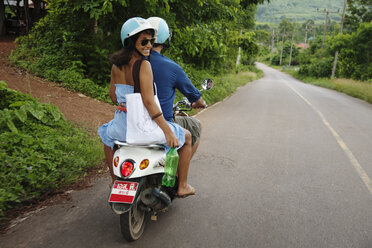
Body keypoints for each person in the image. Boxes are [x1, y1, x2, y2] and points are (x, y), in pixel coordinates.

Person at [97, 17, 195, 198]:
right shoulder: (144, 65)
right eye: (144, 41)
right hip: (141, 127)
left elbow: (112, 95)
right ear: (130, 41)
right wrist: (168, 131)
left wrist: (126, 104)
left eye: (151, 40)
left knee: (106, 137)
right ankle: (182, 185)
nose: (149, 45)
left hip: (121, 126)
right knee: (187, 137)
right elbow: (149, 103)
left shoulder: (116, 65)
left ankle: (114, 180)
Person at [147, 17, 207, 158]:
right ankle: (180, 177)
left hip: (134, 121)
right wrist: (200, 104)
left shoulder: (130, 63)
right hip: (162, 123)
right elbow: (197, 98)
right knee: (195, 125)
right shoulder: (172, 67)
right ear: (165, 37)